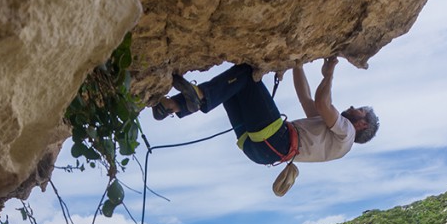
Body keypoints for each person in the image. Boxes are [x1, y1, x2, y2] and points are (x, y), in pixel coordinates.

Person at [152, 58, 378, 179]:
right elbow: (306, 99)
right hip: (257, 150)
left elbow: (322, 103)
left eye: (359, 110)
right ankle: (174, 105)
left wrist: (328, 73)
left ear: (362, 124)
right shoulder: (334, 138)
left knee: (248, 75)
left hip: (277, 140)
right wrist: (296, 63)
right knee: (235, 87)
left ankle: (187, 102)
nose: (351, 107)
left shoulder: (347, 132)